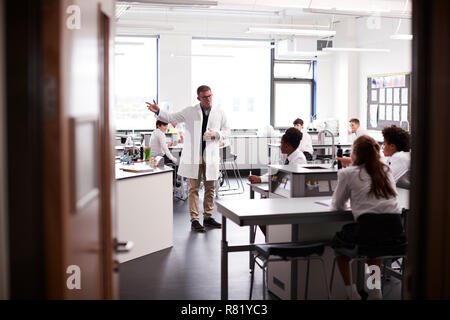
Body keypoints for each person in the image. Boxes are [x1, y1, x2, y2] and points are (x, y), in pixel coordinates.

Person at [146, 85, 230, 233]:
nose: (208, 99)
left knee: (210, 188)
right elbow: (171, 118)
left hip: (210, 155)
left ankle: (208, 217)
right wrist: (158, 111)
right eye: (205, 97)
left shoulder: (220, 112)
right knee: (193, 188)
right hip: (194, 155)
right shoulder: (190, 111)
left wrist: (216, 134)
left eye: (210, 96)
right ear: (198, 98)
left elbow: (227, 131)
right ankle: (195, 219)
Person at [331, 135, 402, 300]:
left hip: (369, 227)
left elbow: (337, 205)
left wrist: (356, 204)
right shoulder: (385, 170)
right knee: (373, 249)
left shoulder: (347, 173)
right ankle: (375, 292)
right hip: (395, 229)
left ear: (354, 153)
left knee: (339, 247)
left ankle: (352, 294)